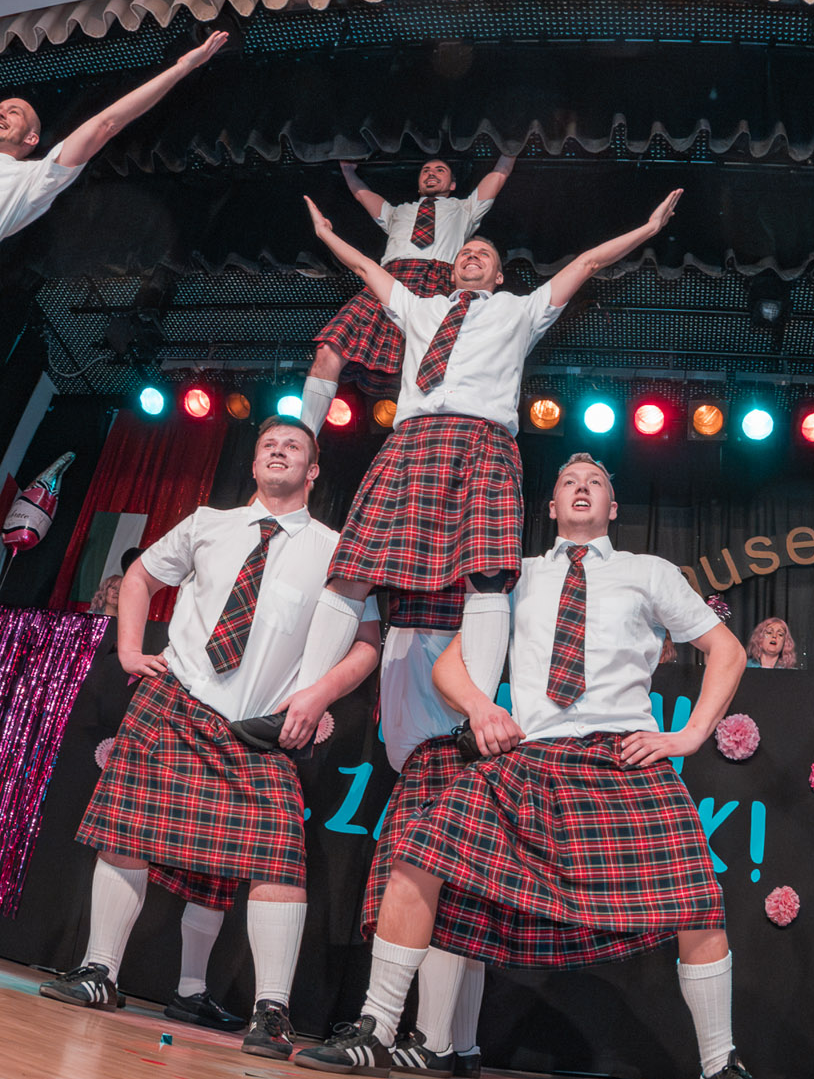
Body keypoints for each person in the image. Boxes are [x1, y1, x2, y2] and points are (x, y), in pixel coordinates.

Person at [294, 454, 782, 1079]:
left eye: (595, 483)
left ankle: (721, 1067)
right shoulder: (513, 576)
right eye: (568, 483)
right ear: (550, 507)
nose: (582, 489)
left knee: (695, 898)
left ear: (612, 507)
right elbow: (451, 667)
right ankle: (375, 1031)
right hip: (531, 757)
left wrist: (689, 735)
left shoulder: (650, 572)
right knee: (416, 856)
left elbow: (727, 649)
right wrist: (481, 708)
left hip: (622, 757)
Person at [274, 191, 682, 745]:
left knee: (487, 575)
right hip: (414, 440)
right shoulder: (419, 307)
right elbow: (366, 267)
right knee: (354, 568)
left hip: (484, 442)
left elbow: (587, 263)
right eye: (466, 252)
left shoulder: (522, 309)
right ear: (452, 268)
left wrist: (648, 227)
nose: (472, 256)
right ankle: (300, 703)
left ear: (498, 275)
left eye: (484, 254)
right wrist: (326, 236)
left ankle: (476, 721)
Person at [42, 417, 383, 1062]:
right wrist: (129, 650)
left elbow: (367, 644)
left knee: (278, 858)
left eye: (293, 447)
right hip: (177, 700)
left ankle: (272, 1013)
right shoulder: (206, 523)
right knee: (127, 832)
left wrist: (317, 695)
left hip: (260, 729)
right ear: (253, 464)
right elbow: (140, 577)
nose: (278, 451)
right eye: (268, 445)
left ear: (313, 472)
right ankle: (98, 971)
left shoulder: (337, 548)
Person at [0, 30, 228, 303]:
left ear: (31, 138)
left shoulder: (31, 178)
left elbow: (105, 124)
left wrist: (180, 68)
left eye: (13, 112)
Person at [361, 584, 489, 1075]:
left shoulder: (460, 596)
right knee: (457, 903)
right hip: (429, 755)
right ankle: (462, 1046)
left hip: (446, 752)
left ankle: (435, 1042)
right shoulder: (409, 605)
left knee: (437, 902)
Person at [298, 152, 518, 426]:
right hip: (388, 282)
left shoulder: (465, 208)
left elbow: (499, 175)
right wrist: (348, 171)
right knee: (329, 349)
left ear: (452, 184)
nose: (431, 173)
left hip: (437, 285)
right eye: (426, 170)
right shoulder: (397, 213)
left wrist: (511, 147)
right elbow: (362, 195)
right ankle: (306, 433)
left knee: (431, 370)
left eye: (440, 169)